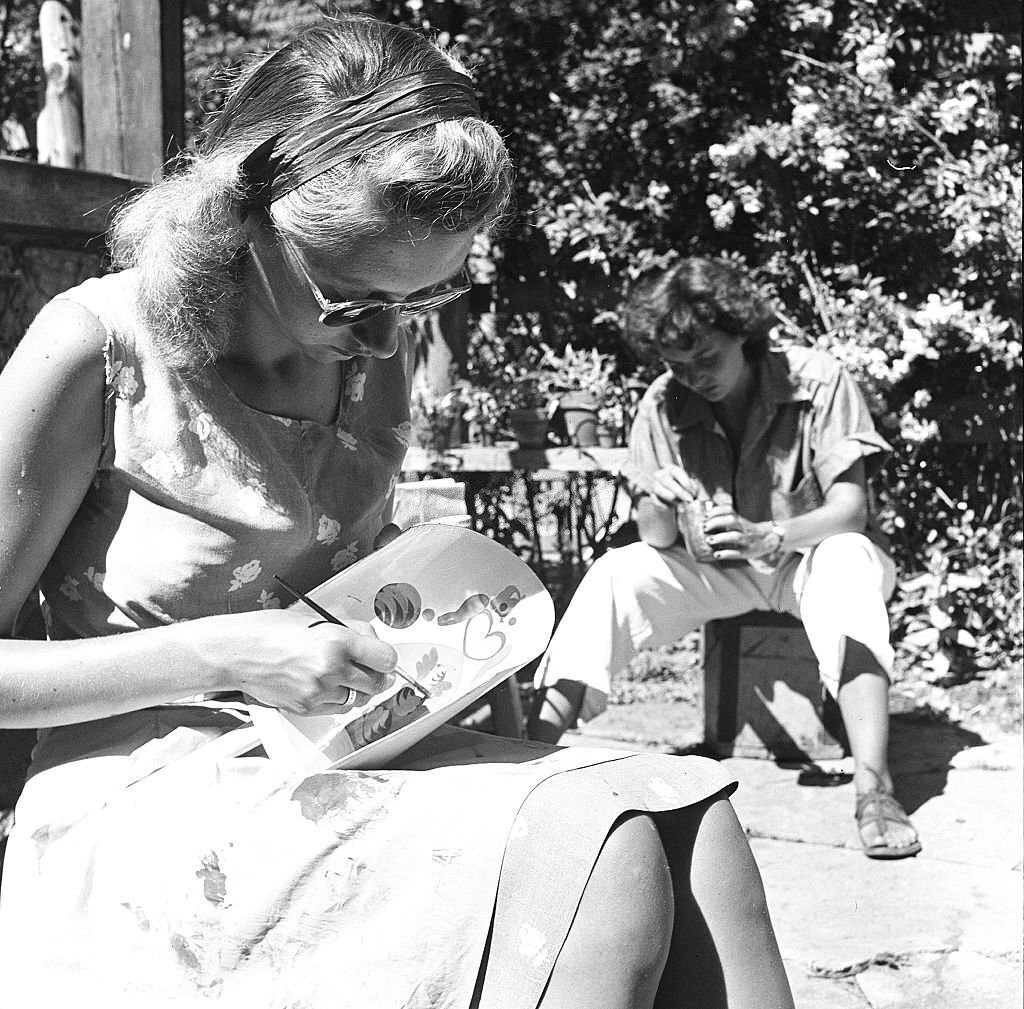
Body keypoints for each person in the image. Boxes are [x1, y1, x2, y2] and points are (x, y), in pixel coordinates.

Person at [0, 16, 795, 1008]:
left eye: (421, 301)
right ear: (241, 213)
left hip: (334, 759)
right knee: (610, 850)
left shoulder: (365, 358)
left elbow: (354, 614)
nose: (383, 345)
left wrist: (463, 659)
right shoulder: (96, 350)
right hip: (140, 793)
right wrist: (225, 654)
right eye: (352, 301)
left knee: (692, 818)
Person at [528, 256, 921, 862]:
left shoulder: (818, 380)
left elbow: (851, 510)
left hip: (811, 561)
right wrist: (655, 498)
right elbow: (656, 539)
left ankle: (875, 789)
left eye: (706, 358)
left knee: (843, 560)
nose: (694, 377)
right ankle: (530, 762)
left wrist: (775, 536)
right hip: (721, 573)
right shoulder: (663, 404)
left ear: (743, 330)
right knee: (615, 570)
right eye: (677, 365)